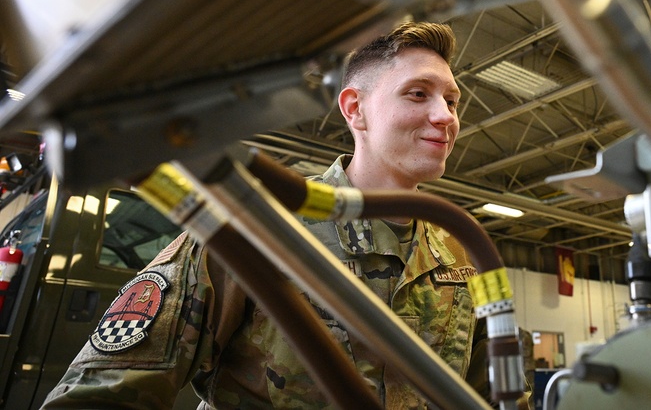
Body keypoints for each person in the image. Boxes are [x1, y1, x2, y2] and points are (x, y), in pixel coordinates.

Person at [44, 21, 500, 409]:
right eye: (418, 94)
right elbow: (100, 394)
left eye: (453, 100)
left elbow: (488, 391)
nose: (444, 116)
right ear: (355, 109)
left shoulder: (464, 248)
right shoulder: (254, 226)